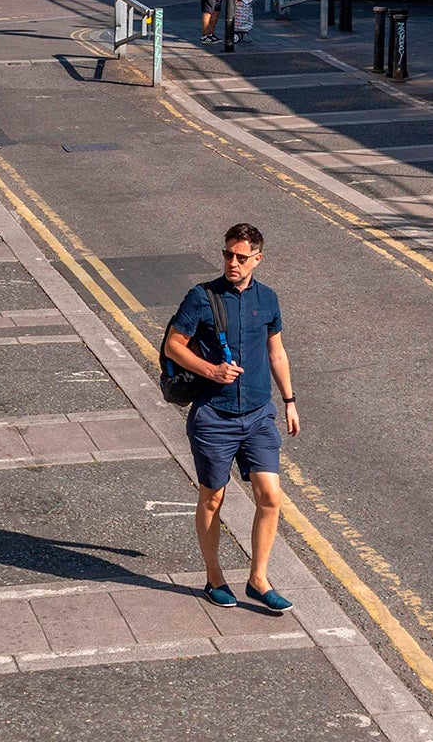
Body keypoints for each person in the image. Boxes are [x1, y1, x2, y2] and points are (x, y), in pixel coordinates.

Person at [162, 224, 299, 613]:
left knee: (270, 496)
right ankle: (214, 578)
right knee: (212, 497)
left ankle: (258, 580)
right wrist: (212, 371)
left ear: (258, 258)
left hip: (258, 414)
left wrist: (289, 400)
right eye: (227, 255)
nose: (232, 263)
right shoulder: (202, 298)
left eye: (241, 257)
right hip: (214, 416)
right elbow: (174, 346)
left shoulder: (268, 299)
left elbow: (276, 352)